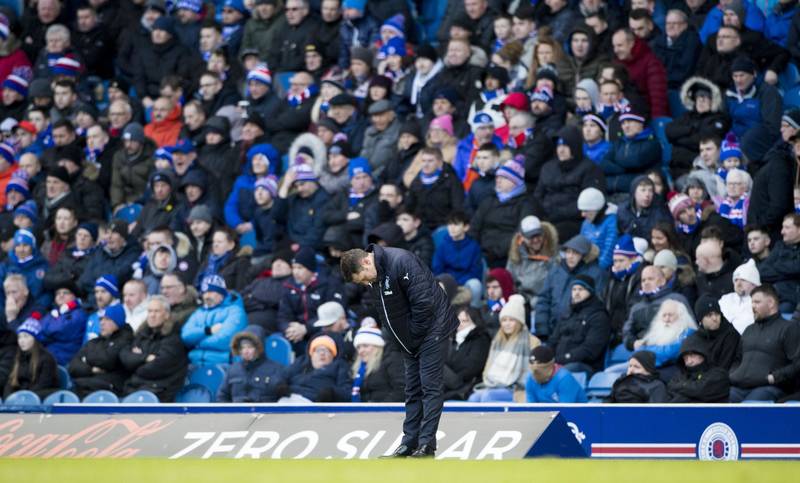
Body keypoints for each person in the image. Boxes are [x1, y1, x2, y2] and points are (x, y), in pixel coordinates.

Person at [340, 245, 459, 458]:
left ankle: (426, 445)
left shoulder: (402, 262)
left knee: (430, 388)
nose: (366, 283)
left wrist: (411, 336)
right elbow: (387, 313)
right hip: (409, 339)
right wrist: (400, 340)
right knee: (411, 389)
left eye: (363, 278)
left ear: (366, 262)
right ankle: (408, 443)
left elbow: (424, 304)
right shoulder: (375, 276)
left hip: (433, 330)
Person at [729, 285, 800, 402]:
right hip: (739, 387)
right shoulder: (749, 330)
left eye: (757, 302)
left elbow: (797, 363)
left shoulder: (789, 328)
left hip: (769, 388)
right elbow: (737, 359)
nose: (752, 306)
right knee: (720, 400)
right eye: (752, 302)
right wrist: (733, 374)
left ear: (771, 303)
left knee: (750, 408)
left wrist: (774, 377)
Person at [468, 294, 540, 402]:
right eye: (504, 320)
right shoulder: (497, 340)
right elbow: (488, 368)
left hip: (517, 388)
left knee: (489, 396)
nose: (507, 324)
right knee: (473, 398)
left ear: (519, 322)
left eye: (511, 320)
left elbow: (533, 372)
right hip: (494, 385)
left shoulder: (533, 341)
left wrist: (509, 382)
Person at [535, 234, 608, 340]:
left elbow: (596, 304)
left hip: (577, 334)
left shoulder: (596, 274)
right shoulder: (556, 271)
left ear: (584, 255)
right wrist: (542, 329)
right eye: (568, 252)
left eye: (575, 253)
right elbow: (543, 300)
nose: (570, 256)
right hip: (551, 331)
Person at [120, 295, 188, 402]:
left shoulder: (173, 338)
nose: (152, 315)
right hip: (135, 387)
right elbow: (125, 356)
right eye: (150, 311)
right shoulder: (142, 334)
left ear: (166, 315)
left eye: (156, 311)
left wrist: (136, 361)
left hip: (160, 392)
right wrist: (145, 358)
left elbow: (157, 367)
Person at [67, 304, 134, 398]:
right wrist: (91, 369)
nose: (102, 323)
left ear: (117, 322)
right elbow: (73, 366)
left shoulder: (126, 339)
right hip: (90, 382)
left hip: (112, 387)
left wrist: (87, 359)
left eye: (107, 319)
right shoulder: (94, 341)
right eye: (101, 319)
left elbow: (107, 360)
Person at [549, 276, 612, 375]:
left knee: (563, 372)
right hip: (560, 363)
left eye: (581, 289)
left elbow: (590, 350)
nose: (576, 293)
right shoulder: (567, 313)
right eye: (574, 289)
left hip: (585, 366)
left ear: (590, 291)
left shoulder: (599, 316)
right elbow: (553, 340)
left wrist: (563, 359)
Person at [181, 275, 248, 365]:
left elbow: (225, 341)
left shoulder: (235, 311)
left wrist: (196, 343)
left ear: (222, 294)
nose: (207, 296)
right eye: (204, 292)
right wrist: (207, 331)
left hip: (223, 365)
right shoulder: (199, 312)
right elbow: (185, 336)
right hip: (194, 365)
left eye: (211, 291)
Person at [217, 325, 287, 403]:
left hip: (265, 414)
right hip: (238, 414)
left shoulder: (276, 369)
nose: (245, 351)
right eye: (242, 348)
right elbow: (222, 396)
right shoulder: (232, 370)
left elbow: (284, 399)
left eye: (250, 347)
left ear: (259, 347)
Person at [282, 334, 351, 402]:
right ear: (311, 355)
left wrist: (333, 393)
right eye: (318, 350)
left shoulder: (339, 366)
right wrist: (279, 385)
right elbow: (281, 377)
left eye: (327, 350)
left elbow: (347, 392)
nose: (322, 353)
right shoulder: (301, 363)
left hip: (314, 403)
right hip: (289, 398)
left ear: (333, 355)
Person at [3, 316, 59, 399]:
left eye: (26, 336)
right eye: (20, 337)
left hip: (38, 400)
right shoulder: (18, 357)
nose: (21, 341)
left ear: (35, 339)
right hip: (20, 399)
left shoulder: (47, 359)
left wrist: (24, 398)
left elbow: (43, 385)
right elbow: (10, 383)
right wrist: (8, 399)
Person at [442, 306, 491, 400]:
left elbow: (472, 368)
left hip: (466, 385)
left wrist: (451, 377)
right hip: (448, 383)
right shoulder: (452, 338)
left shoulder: (481, 339)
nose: (459, 324)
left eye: (464, 321)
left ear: (475, 322)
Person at [667, 336, 730, 403]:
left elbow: (700, 390)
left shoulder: (718, 374)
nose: (689, 361)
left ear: (702, 353)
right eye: (685, 358)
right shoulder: (681, 375)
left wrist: (682, 387)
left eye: (692, 356)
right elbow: (670, 386)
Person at [351, 327, 405, 402]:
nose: (361, 351)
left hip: (389, 411)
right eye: (358, 347)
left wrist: (382, 409)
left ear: (378, 346)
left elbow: (401, 390)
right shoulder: (360, 369)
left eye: (365, 346)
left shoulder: (392, 360)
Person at [690, 294, 741, 371]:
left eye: (717, 314)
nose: (714, 318)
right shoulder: (696, 338)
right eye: (709, 315)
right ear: (701, 320)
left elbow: (723, 368)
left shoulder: (730, 335)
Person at [524, 345, 589, 403]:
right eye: (533, 367)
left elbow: (565, 411)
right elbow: (531, 408)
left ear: (550, 365)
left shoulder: (564, 379)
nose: (535, 372)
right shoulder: (530, 379)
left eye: (540, 367)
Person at [719, 259, 761, 334]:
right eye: (736, 280)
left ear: (754, 283)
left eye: (743, 280)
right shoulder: (726, 299)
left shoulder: (760, 302)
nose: (738, 284)